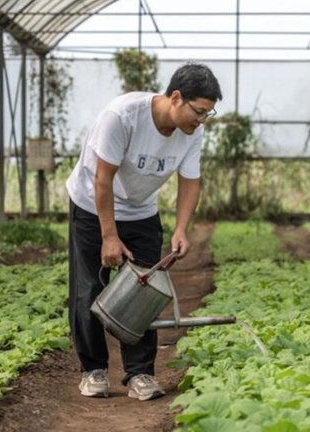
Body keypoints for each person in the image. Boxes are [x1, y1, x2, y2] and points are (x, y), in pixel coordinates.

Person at [66, 63, 222, 400]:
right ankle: (93, 370)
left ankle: (140, 374)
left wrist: (181, 228)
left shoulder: (193, 132)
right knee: (90, 286)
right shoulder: (122, 116)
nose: (201, 120)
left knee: (145, 288)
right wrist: (109, 236)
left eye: (208, 114)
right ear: (176, 97)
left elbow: (190, 182)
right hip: (93, 206)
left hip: (141, 211)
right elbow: (102, 179)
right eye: (199, 112)